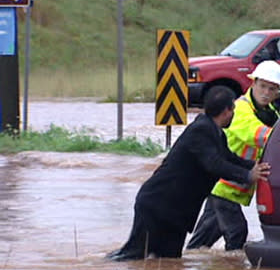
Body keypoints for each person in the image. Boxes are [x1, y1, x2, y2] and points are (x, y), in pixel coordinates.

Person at [106, 87, 271, 261]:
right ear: (226, 111)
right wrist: (247, 176)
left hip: (175, 213)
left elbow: (229, 158)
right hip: (157, 206)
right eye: (233, 110)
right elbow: (214, 164)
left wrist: (255, 166)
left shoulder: (214, 132)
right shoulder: (201, 130)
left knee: (170, 263)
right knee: (133, 257)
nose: (233, 114)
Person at [186, 60, 280, 251]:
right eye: (263, 86)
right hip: (224, 185)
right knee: (237, 232)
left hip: (230, 187)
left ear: (277, 92)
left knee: (200, 244)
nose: (266, 93)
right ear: (253, 83)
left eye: (272, 89)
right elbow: (258, 135)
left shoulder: (270, 113)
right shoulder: (240, 109)